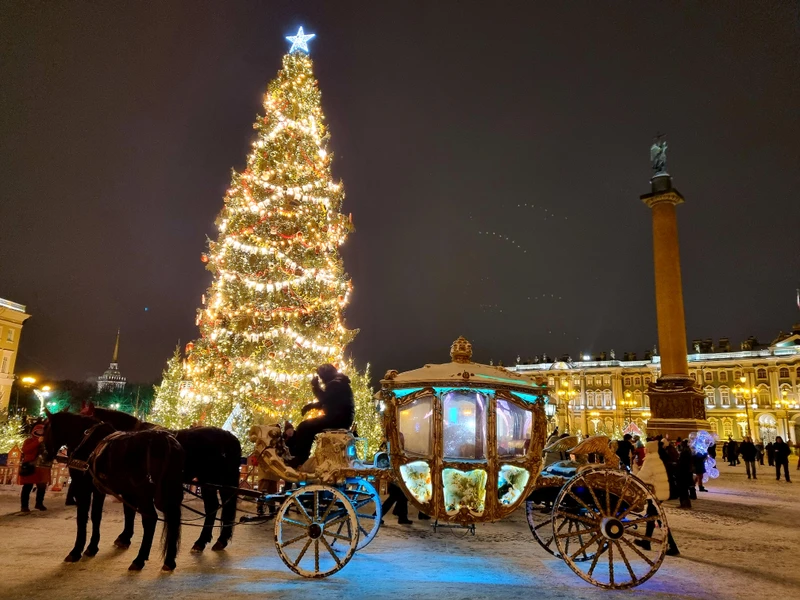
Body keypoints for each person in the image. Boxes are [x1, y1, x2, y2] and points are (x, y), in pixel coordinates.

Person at [286, 364, 355, 468]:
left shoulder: (335, 383)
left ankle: (300, 458)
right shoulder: (339, 382)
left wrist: (315, 386)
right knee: (306, 426)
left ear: (326, 374)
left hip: (337, 419)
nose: (322, 380)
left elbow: (324, 399)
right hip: (340, 418)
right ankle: (299, 456)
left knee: (304, 427)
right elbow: (328, 401)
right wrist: (310, 406)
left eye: (322, 377)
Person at [634, 440, 679, 556]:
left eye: (646, 448)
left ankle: (673, 547)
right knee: (651, 517)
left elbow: (640, 478)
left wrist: (634, 466)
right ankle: (646, 542)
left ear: (649, 449)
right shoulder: (656, 459)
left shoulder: (650, 461)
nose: (645, 449)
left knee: (659, 519)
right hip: (658, 493)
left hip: (655, 494)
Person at [18, 423, 51, 513]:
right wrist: (37, 442)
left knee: (42, 486)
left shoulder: (46, 442)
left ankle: (39, 503)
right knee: (28, 486)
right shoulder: (29, 440)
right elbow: (26, 450)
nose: (40, 432)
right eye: (38, 431)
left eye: (42, 431)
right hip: (31, 466)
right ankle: (24, 506)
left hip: (42, 467)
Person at [677, 440, 694, 507]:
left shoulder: (684, 452)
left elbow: (682, 463)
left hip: (683, 472)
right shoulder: (688, 451)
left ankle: (684, 503)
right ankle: (687, 503)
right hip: (687, 472)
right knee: (685, 489)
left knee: (683, 489)